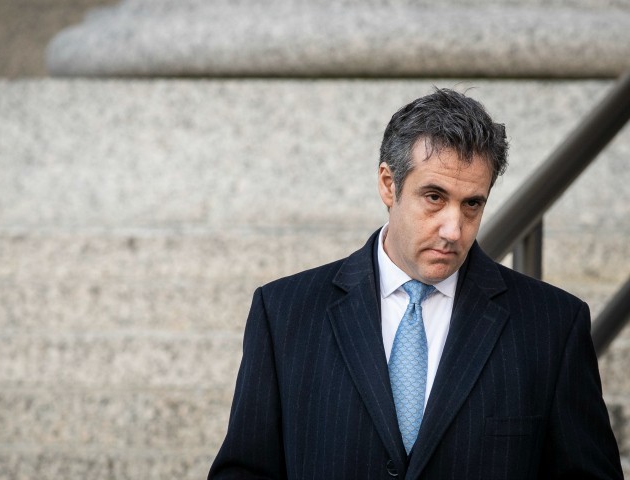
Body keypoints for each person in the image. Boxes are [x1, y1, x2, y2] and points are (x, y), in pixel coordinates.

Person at [208, 89, 623, 479]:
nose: (453, 230)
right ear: (389, 185)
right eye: (434, 197)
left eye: (472, 204)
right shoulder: (284, 312)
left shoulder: (552, 325)